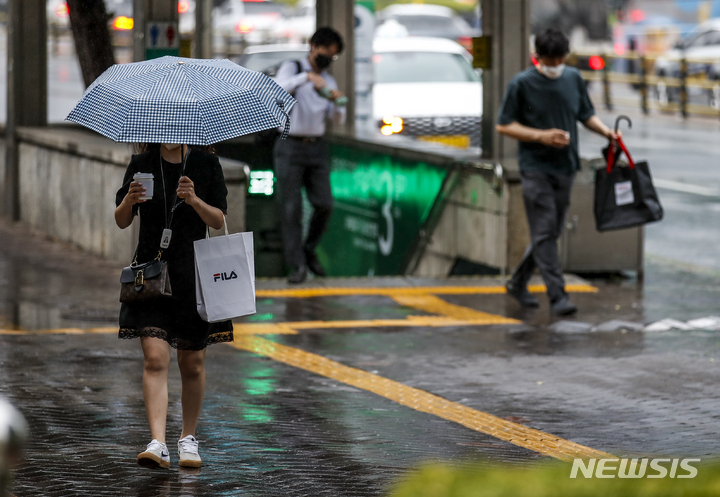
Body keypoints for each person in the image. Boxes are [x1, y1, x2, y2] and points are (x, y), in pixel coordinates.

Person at [114, 143, 232, 469]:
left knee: (191, 364)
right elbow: (122, 220)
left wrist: (194, 200)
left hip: (193, 274)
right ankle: (158, 442)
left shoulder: (207, 164)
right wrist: (129, 201)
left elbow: (218, 220)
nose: (169, 133)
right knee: (155, 358)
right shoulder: (142, 163)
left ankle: (188, 438)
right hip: (150, 275)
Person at [496, 28, 619, 316]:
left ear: (565, 57)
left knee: (549, 232)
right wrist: (540, 136)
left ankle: (518, 281)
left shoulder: (573, 78)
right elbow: (504, 124)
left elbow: (585, 114)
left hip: (566, 167)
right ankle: (557, 296)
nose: (554, 67)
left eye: (558, 60)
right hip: (535, 168)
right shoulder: (522, 84)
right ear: (536, 57)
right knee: (544, 229)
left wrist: (606, 132)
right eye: (548, 61)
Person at [274, 27, 347, 284]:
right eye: (325, 52)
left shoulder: (330, 80)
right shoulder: (293, 68)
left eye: (333, 55)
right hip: (290, 145)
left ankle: (308, 248)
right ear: (313, 47)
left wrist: (337, 102)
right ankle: (296, 266)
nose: (328, 58)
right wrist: (305, 78)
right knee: (291, 208)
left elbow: (337, 118)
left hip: (316, 146)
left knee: (324, 203)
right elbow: (277, 90)